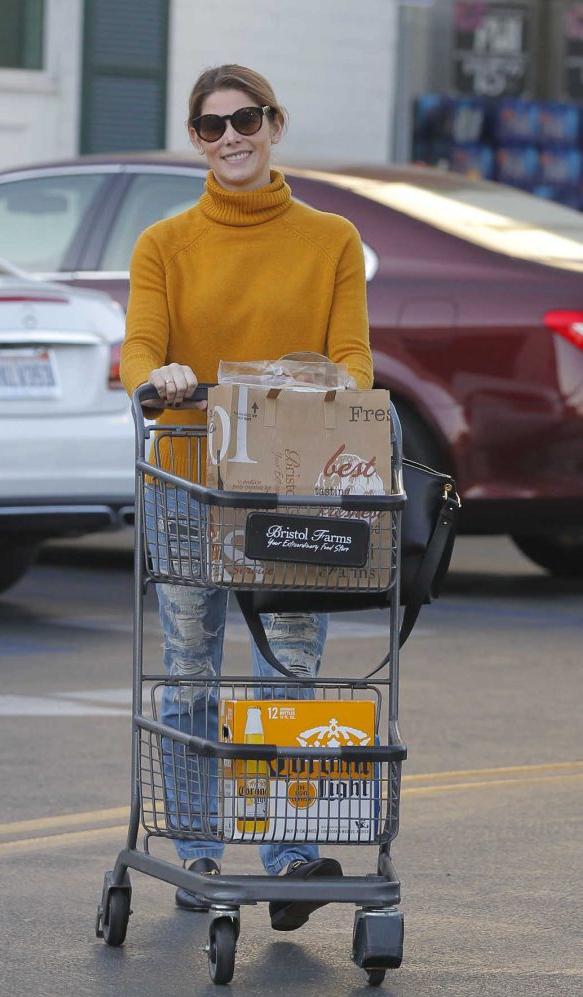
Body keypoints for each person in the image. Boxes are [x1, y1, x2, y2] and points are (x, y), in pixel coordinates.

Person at [121, 64, 373, 931]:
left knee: (291, 674)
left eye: (248, 118)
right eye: (212, 125)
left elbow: (355, 360)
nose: (232, 137)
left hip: (290, 489)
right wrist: (161, 375)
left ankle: (290, 850)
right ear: (195, 138)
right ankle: (195, 845)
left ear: (275, 123)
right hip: (191, 476)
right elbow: (139, 352)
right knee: (189, 668)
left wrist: (325, 383)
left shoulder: (331, 238)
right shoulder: (164, 244)